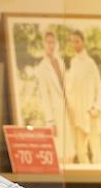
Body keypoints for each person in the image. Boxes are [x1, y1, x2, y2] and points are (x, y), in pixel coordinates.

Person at [27, 29, 72, 162]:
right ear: (44, 45)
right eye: (48, 43)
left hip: (66, 111)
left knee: (70, 153)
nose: (51, 45)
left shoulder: (60, 62)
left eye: (53, 42)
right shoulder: (42, 68)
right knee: (60, 154)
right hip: (55, 114)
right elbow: (45, 97)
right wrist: (50, 122)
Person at [65, 29, 101, 164]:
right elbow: (69, 89)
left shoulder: (90, 63)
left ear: (83, 42)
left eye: (77, 41)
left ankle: (100, 179)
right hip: (77, 112)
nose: (75, 44)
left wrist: (96, 107)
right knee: (81, 149)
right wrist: (71, 107)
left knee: (95, 147)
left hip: (91, 111)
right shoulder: (73, 63)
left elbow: (99, 88)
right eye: (73, 42)